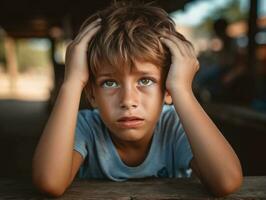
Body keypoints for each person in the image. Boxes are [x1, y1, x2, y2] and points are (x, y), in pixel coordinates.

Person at [32, 2, 243, 197]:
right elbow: (49, 182)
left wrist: (182, 90)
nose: (128, 100)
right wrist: (71, 83)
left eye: (146, 80)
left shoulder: (176, 126)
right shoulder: (85, 127)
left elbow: (226, 182)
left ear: (168, 88)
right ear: (92, 94)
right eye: (110, 83)